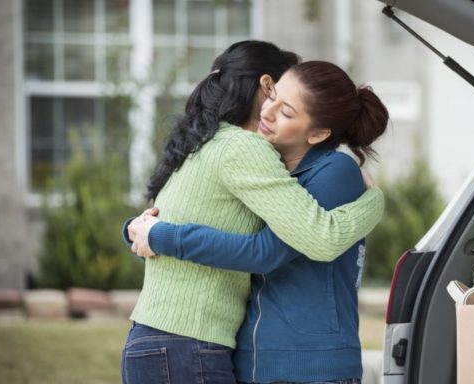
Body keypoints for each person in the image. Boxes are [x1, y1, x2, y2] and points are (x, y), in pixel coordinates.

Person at [121, 43, 385, 384]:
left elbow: (269, 251)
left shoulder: (331, 170)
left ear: (319, 133)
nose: (268, 113)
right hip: (221, 353)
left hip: (303, 365)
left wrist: (151, 232)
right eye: (273, 97)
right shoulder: (253, 158)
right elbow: (215, 229)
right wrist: (142, 230)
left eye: (287, 112)